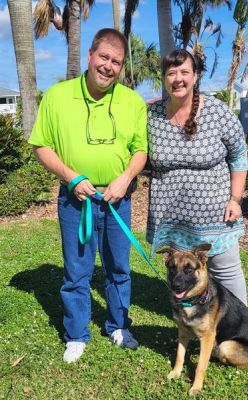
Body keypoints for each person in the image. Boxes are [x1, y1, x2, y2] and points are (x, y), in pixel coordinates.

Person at [29, 28, 148, 362]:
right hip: (75, 199)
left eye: (116, 62)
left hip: (118, 200)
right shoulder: (57, 96)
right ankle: (77, 334)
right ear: (91, 56)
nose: (109, 67)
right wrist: (70, 177)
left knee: (119, 268)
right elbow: (41, 144)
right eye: (104, 58)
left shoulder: (132, 101)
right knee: (77, 271)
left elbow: (140, 150)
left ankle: (118, 326)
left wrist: (125, 178)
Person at [146, 49, 248, 305]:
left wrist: (235, 198)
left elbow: (239, 155)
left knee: (225, 273)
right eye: (171, 73)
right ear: (164, 77)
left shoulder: (217, 112)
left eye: (184, 72)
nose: (177, 78)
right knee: (182, 276)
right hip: (171, 219)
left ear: (196, 75)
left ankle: (239, 331)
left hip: (216, 219)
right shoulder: (152, 115)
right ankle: (195, 328)